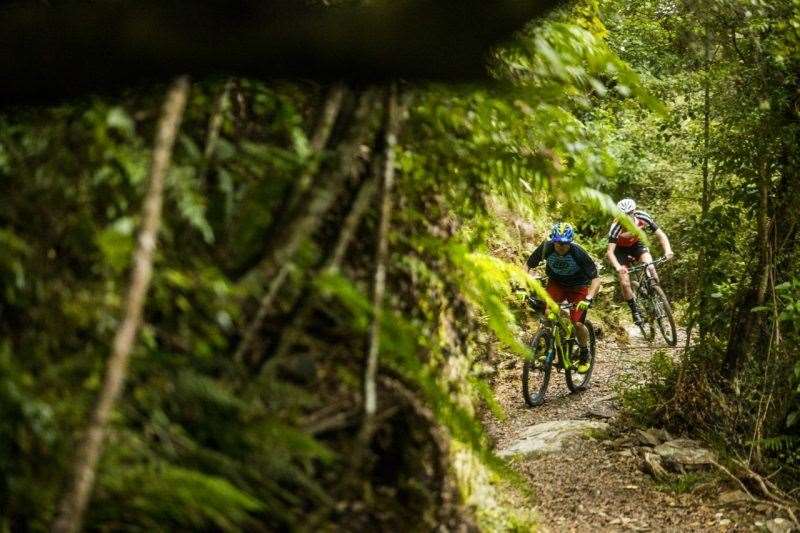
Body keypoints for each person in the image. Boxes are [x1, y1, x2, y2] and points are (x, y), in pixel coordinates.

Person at [526, 222, 601, 372]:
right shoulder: (546, 247)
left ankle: (584, 353)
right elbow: (527, 265)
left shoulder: (578, 252)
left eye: (566, 244)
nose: (561, 246)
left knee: (578, 324)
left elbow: (596, 279)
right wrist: (522, 287)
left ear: (570, 242)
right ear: (553, 241)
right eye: (558, 243)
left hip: (579, 287)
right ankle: (549, 348)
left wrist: (588, 298)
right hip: (557, 284)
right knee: (548, 315)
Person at [606, 198, 674, 325]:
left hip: (637, 245)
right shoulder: (616, 227)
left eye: (630, 213)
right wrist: (618, 267)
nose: (627, 217)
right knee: (625, 282)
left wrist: (668, 251)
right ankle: (635, 311)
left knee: (651, 267)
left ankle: (656, 294)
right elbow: (610, 252)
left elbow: (661, 235)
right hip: (620, 251)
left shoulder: (643, 217)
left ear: (634, 211)